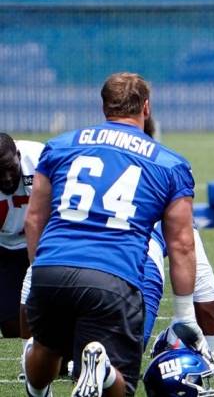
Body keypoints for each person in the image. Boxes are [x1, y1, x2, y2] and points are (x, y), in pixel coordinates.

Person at [23, 72, 202, 397]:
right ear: (145, 108)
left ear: (105, 107)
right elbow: (181, 245)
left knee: (47, 350)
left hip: (51, 269)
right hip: (112, 276)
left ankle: (37, 384)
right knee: (121, 387)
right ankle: (103, 371)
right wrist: (185, 316)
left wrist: (41, 271)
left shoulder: (61, 146)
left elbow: (34, 218)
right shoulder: (169, 163)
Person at [143, 221, 214, 363]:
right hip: (133, 258)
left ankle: (181, 343)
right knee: (122, 357)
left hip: (125, 251)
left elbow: (203, 282)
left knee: (122, 354)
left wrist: (211, 352)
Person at [0, 135, 44, 339]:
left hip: (42, 242)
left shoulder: (40, 158)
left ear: (18, 155)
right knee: (11, 327)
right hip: (5, 247)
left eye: (10, 167)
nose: (7, 177)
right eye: (0, 172)